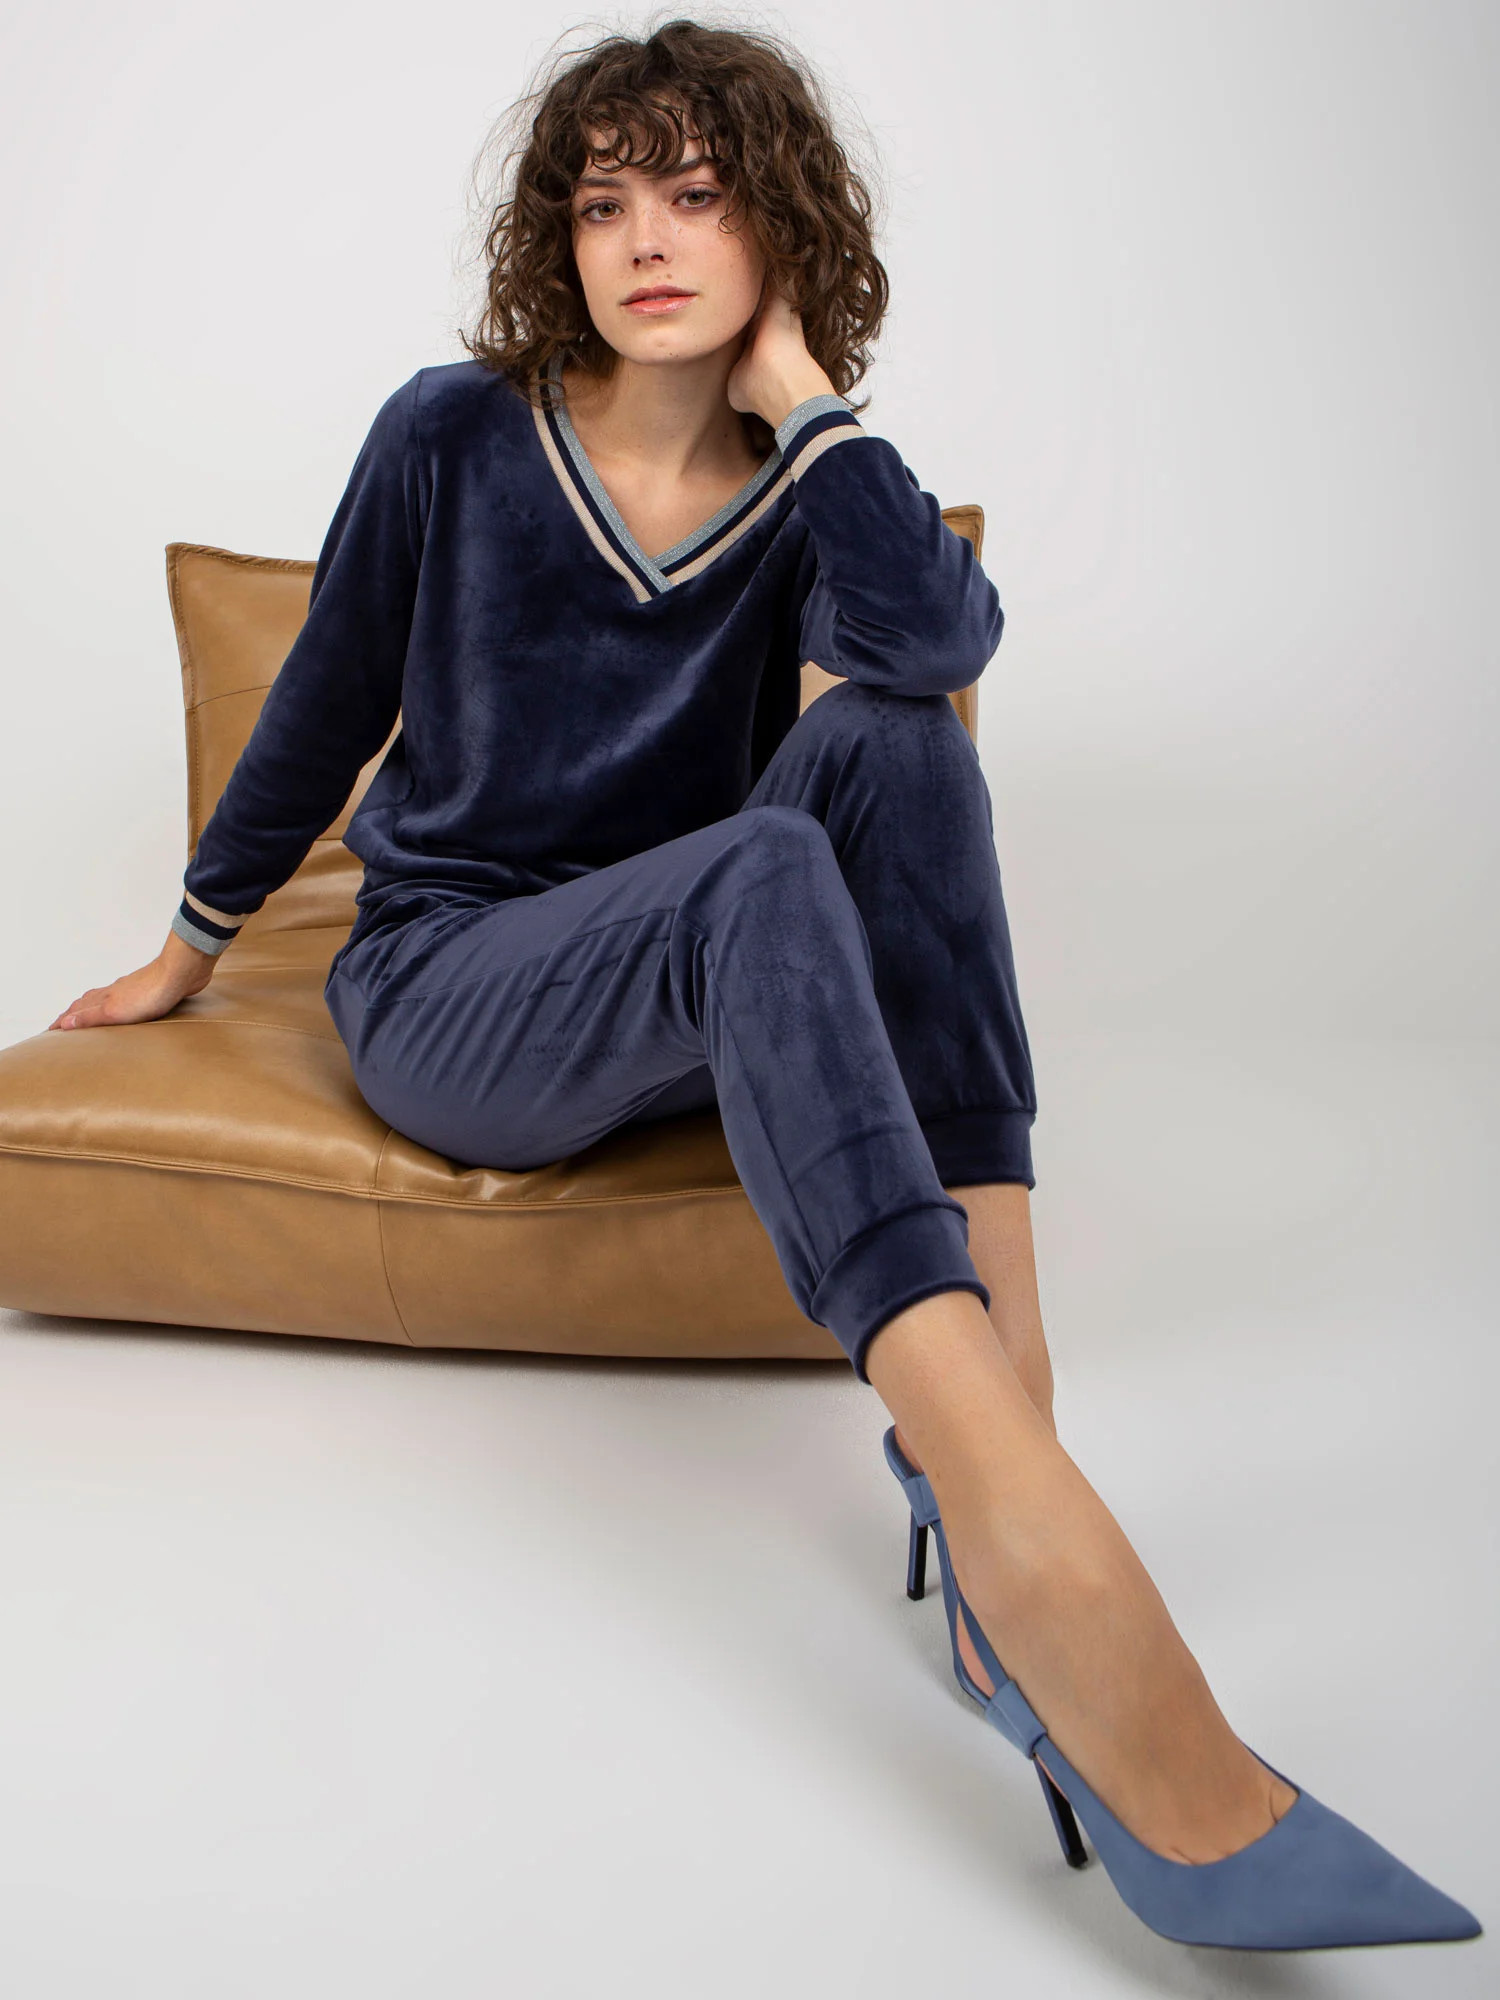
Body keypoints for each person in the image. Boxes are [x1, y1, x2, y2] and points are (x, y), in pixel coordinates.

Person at [47, 17, 1479, 1953]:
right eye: (602, 204)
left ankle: (1010, 1414)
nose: (644, 240)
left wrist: (807, 402)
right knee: (768, 858)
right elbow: (321, 707)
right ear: (558, 241)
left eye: (699, 196)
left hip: (705, 966)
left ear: (779, 231)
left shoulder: (809, 486)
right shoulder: (451, 435)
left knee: (896, 741)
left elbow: (937, 639)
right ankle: (1034, 1546)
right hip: (462, 989)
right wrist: (189, 947)